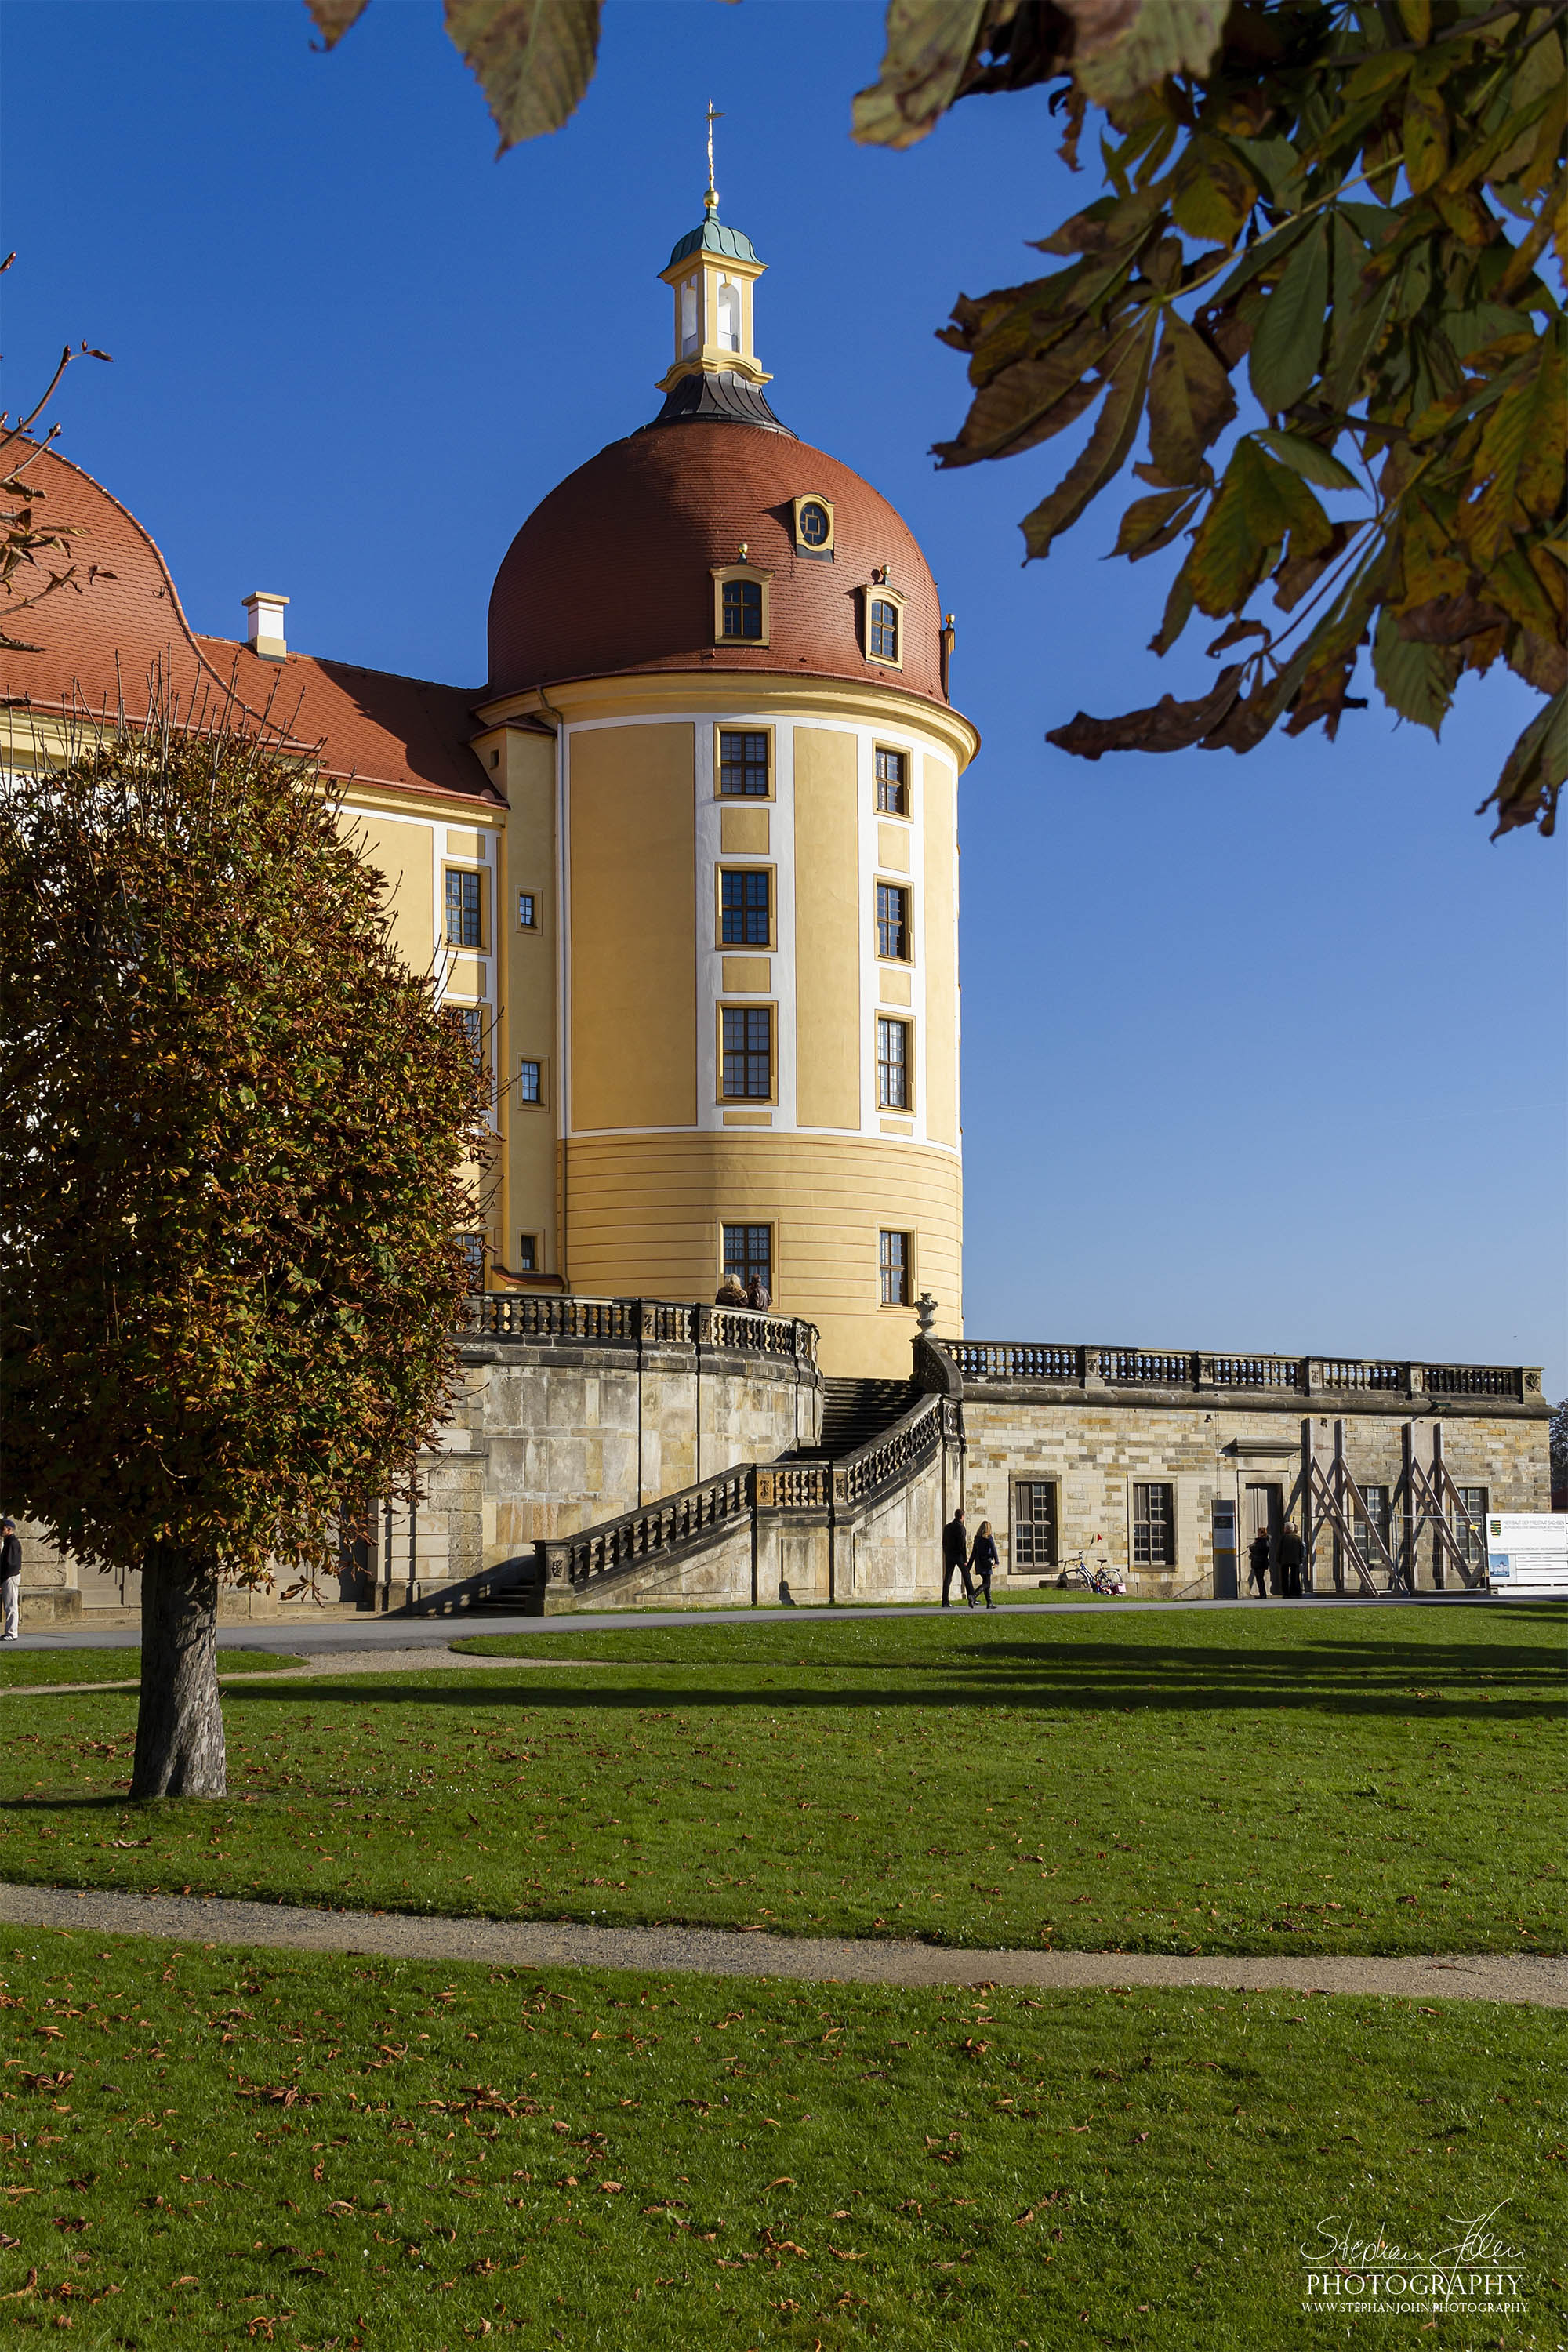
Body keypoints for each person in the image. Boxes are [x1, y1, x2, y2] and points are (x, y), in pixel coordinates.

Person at [942, 1507, 972, 1608]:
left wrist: (946, 1553)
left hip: (950, 1555)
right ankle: (972, 1596)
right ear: (962, 1517)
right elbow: (963, 1544)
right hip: (958, 1555)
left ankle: (945, 1601)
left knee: (948, 1577)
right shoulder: (961, 1528)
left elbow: (944, 1543)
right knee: (966, 1575)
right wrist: (965, 1559)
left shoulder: (947, 1527)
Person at [968, 1519, 1000, 1610]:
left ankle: (989, 1603)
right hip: (986, 1562)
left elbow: (974, 1552)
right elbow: (994, 1550)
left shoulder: (977, 1538)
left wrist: (970, 1565)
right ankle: (973, 1596)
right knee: (987, 1583)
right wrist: (997, 1562)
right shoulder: (989, 1538)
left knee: (987, 1583)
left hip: (979, 1563)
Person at [0, 1519, 20, 1642]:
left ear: (9, 1529)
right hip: (8, 1577)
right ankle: (10, 1632)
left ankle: (12, 1633)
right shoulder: (8, 1542)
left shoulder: (12, 1542)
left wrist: (3, 1579)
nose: (1, 1530)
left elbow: (11, 1564)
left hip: (10, 1577)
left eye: (3, 1528)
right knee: (9, 1605)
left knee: (11, 1605)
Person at [1278, 1522, 1307, 1598]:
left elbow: (1279, 1550)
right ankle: (1294, 1593)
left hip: (1284, 1560)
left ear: (1286, 1529)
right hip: (1295, 1560)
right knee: (1295, 1577)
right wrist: (1300, 1559)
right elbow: (1301, 1550)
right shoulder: (1297, 1538)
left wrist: (1278, 1559)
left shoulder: (1283, 1538)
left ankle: (1286, 1593)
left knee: (1285, 1577)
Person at [1247, 1525, 1272, 1598]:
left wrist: (1252, 1547)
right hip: (1259, 1562)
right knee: (1259, 1578)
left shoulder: (1263, 1541)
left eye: (1259, 1533)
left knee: (1260, 1579)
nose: (1258, 1534)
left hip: (1260, 1562)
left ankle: (1263, 1594)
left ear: (1262, 1533)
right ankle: (1262, 1593)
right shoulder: (1263, 1541)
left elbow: (1258, 1550)